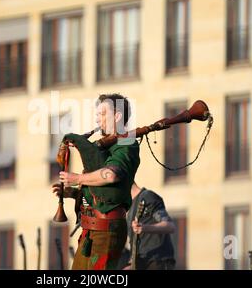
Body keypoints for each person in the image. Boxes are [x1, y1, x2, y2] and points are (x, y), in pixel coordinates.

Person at [52, 93, 140, 270]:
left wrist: (77, 178)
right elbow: (101, 194)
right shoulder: (106, 145)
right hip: (91, 230)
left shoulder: (127, 144)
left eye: (102, 114)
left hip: (106, 230)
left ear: (117, 116)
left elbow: (111, 175)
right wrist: (75, 193)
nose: (97, 119)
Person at [123, 181, 176, 270]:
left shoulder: (148, 197)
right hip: (143, 262)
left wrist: (145, 228)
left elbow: (170, 226)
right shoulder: (130, 206)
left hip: (158, 261)